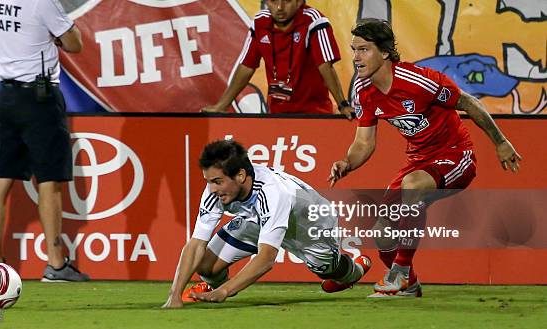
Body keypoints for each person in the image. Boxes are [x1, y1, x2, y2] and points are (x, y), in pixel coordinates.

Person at [328, 18, 522, 297]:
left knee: (412, 187)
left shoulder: (418, 81)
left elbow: (468, 102)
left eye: (364, 49)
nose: (356, 57)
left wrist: (500, 142)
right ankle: (410, 283)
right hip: (418, 162)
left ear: (384, 52)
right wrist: (346, 163)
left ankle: (401, 273)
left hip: (456, 157)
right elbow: (363, 142)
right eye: (354, 49)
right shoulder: (363, 91)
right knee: (382, 232)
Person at [162, 140, 372, 308]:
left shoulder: (273, 193)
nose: (212, 188)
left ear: (241, 176)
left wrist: (225, 291)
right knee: (206, 266)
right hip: (256, 220)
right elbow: (196, 243)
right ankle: (210, 286)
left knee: (330, 271)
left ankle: (356, 268)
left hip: (309, 227)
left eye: (217, 182)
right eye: (208, 181)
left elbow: (266, 258)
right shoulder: (215, 192)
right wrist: (175, 295)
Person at [0, 0, 89, 282]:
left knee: (1, 177)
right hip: (38, 99)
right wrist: (55, 36)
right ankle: (56, 265)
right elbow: (75, 43)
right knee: (49, 179)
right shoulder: (42, 1)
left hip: (6, 96)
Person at [202, 0, 353, 117]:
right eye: (274, 1)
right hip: (276, 114)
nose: (280, 7)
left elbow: (325, 66)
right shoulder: (259, 23)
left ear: (299, 2)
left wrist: (342, 104)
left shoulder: (314, 20)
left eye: (286, 1)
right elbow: (247, 66)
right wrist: (222, 105)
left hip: (314, 113)